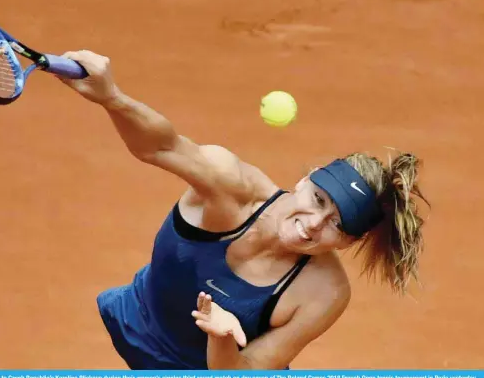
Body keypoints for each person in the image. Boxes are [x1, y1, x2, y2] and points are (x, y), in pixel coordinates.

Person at [55, 50, 430, 370]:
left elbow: (242, 371)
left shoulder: (323, 293)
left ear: (349, 243)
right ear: (307, 179)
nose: (314, 225)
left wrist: (222, 339)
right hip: (137, 321)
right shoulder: (229, 186)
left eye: (337, 225)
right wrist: (112, 98)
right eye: (318, 200)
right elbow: (160, 147)